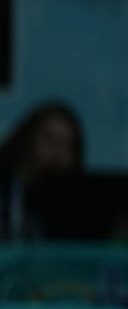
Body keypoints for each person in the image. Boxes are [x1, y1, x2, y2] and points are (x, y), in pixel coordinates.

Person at [0, 101, 84, 243]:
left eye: (66, 144)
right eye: (49, 139)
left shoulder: (74, 206)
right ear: (28, 138)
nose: (57, 151)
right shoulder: (7, 191)